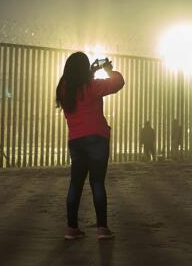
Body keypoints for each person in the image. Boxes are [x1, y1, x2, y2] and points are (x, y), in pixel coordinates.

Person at [56, 52, 124, 241]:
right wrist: (108, 70)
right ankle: (102, 229)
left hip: (75, 141)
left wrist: (91, 71)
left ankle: (71, 229)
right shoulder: (92, 86)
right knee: (97, 183)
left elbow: (79, 87)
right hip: (96, 139)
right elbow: (119, 82)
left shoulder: (63, 88)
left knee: (75, 184)